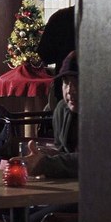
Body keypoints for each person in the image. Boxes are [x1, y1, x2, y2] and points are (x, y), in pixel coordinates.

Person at [22, 50, 79, 178]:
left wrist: (47, 164)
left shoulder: (108, 113)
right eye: (66, 81)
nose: (70, 90)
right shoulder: (62, 110)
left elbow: (95, 160)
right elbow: (67, 154)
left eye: (77, 80)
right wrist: (49, 154)